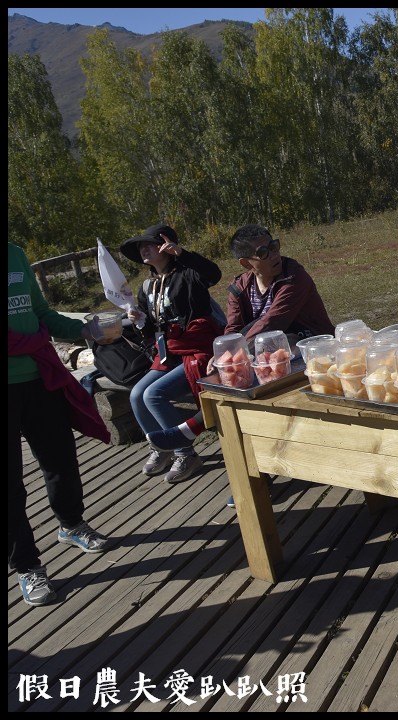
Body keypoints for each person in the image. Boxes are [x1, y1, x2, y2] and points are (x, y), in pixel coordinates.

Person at [149, 224, 333, 508]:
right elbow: (233, 327)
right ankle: (252, 475)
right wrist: (224, 351)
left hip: (311, 350)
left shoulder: (294, 276)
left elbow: (274, 321)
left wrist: (235, 349)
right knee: (231, 380)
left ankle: (193, 428)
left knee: (254, 377)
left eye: (274, 245)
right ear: (246, 262)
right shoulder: (240, 286)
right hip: (270, 358)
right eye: (263, 251)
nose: (273, 254)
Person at [9, 242, 113, 606]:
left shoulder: (15, 253)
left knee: (61, 462)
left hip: (39, 378)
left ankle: (70, 525)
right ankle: (26, 566)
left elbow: (39, 312)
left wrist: (84, 329)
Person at [122, 224, 223, 485]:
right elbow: (151, 333)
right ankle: (161, 448)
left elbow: (214, 274)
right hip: (168, 352)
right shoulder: (146, 286)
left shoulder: (189, 274)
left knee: (154, 394)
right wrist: (140, 321)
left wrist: (182, 254)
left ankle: (185, 453)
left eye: (149, 243)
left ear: (166, 246)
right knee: (136, 395)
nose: (143, 248)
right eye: (140, 246)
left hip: (197, 350)